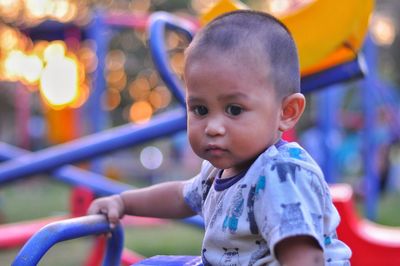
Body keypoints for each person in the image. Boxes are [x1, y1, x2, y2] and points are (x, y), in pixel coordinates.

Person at [88, 10, 351, 265]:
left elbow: (306, 257)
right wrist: (122, 202)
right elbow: (180, 196)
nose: (213, 127)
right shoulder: (217, 171)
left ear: (287, 112)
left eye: (234, 110)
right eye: (200, 110)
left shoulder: (280, 173)